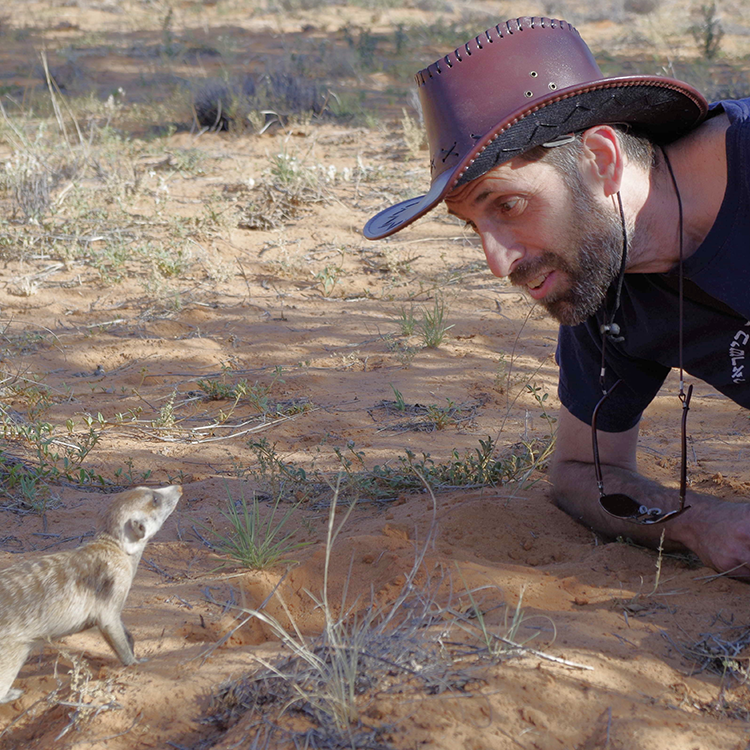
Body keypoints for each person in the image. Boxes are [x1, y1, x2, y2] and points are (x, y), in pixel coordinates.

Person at [364, 16, 750, 577]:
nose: (498, 263)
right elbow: (578, 472)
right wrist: (696, 522)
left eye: (509, 205)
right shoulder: (600, 289)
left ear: (602, 161)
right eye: (473, 225)